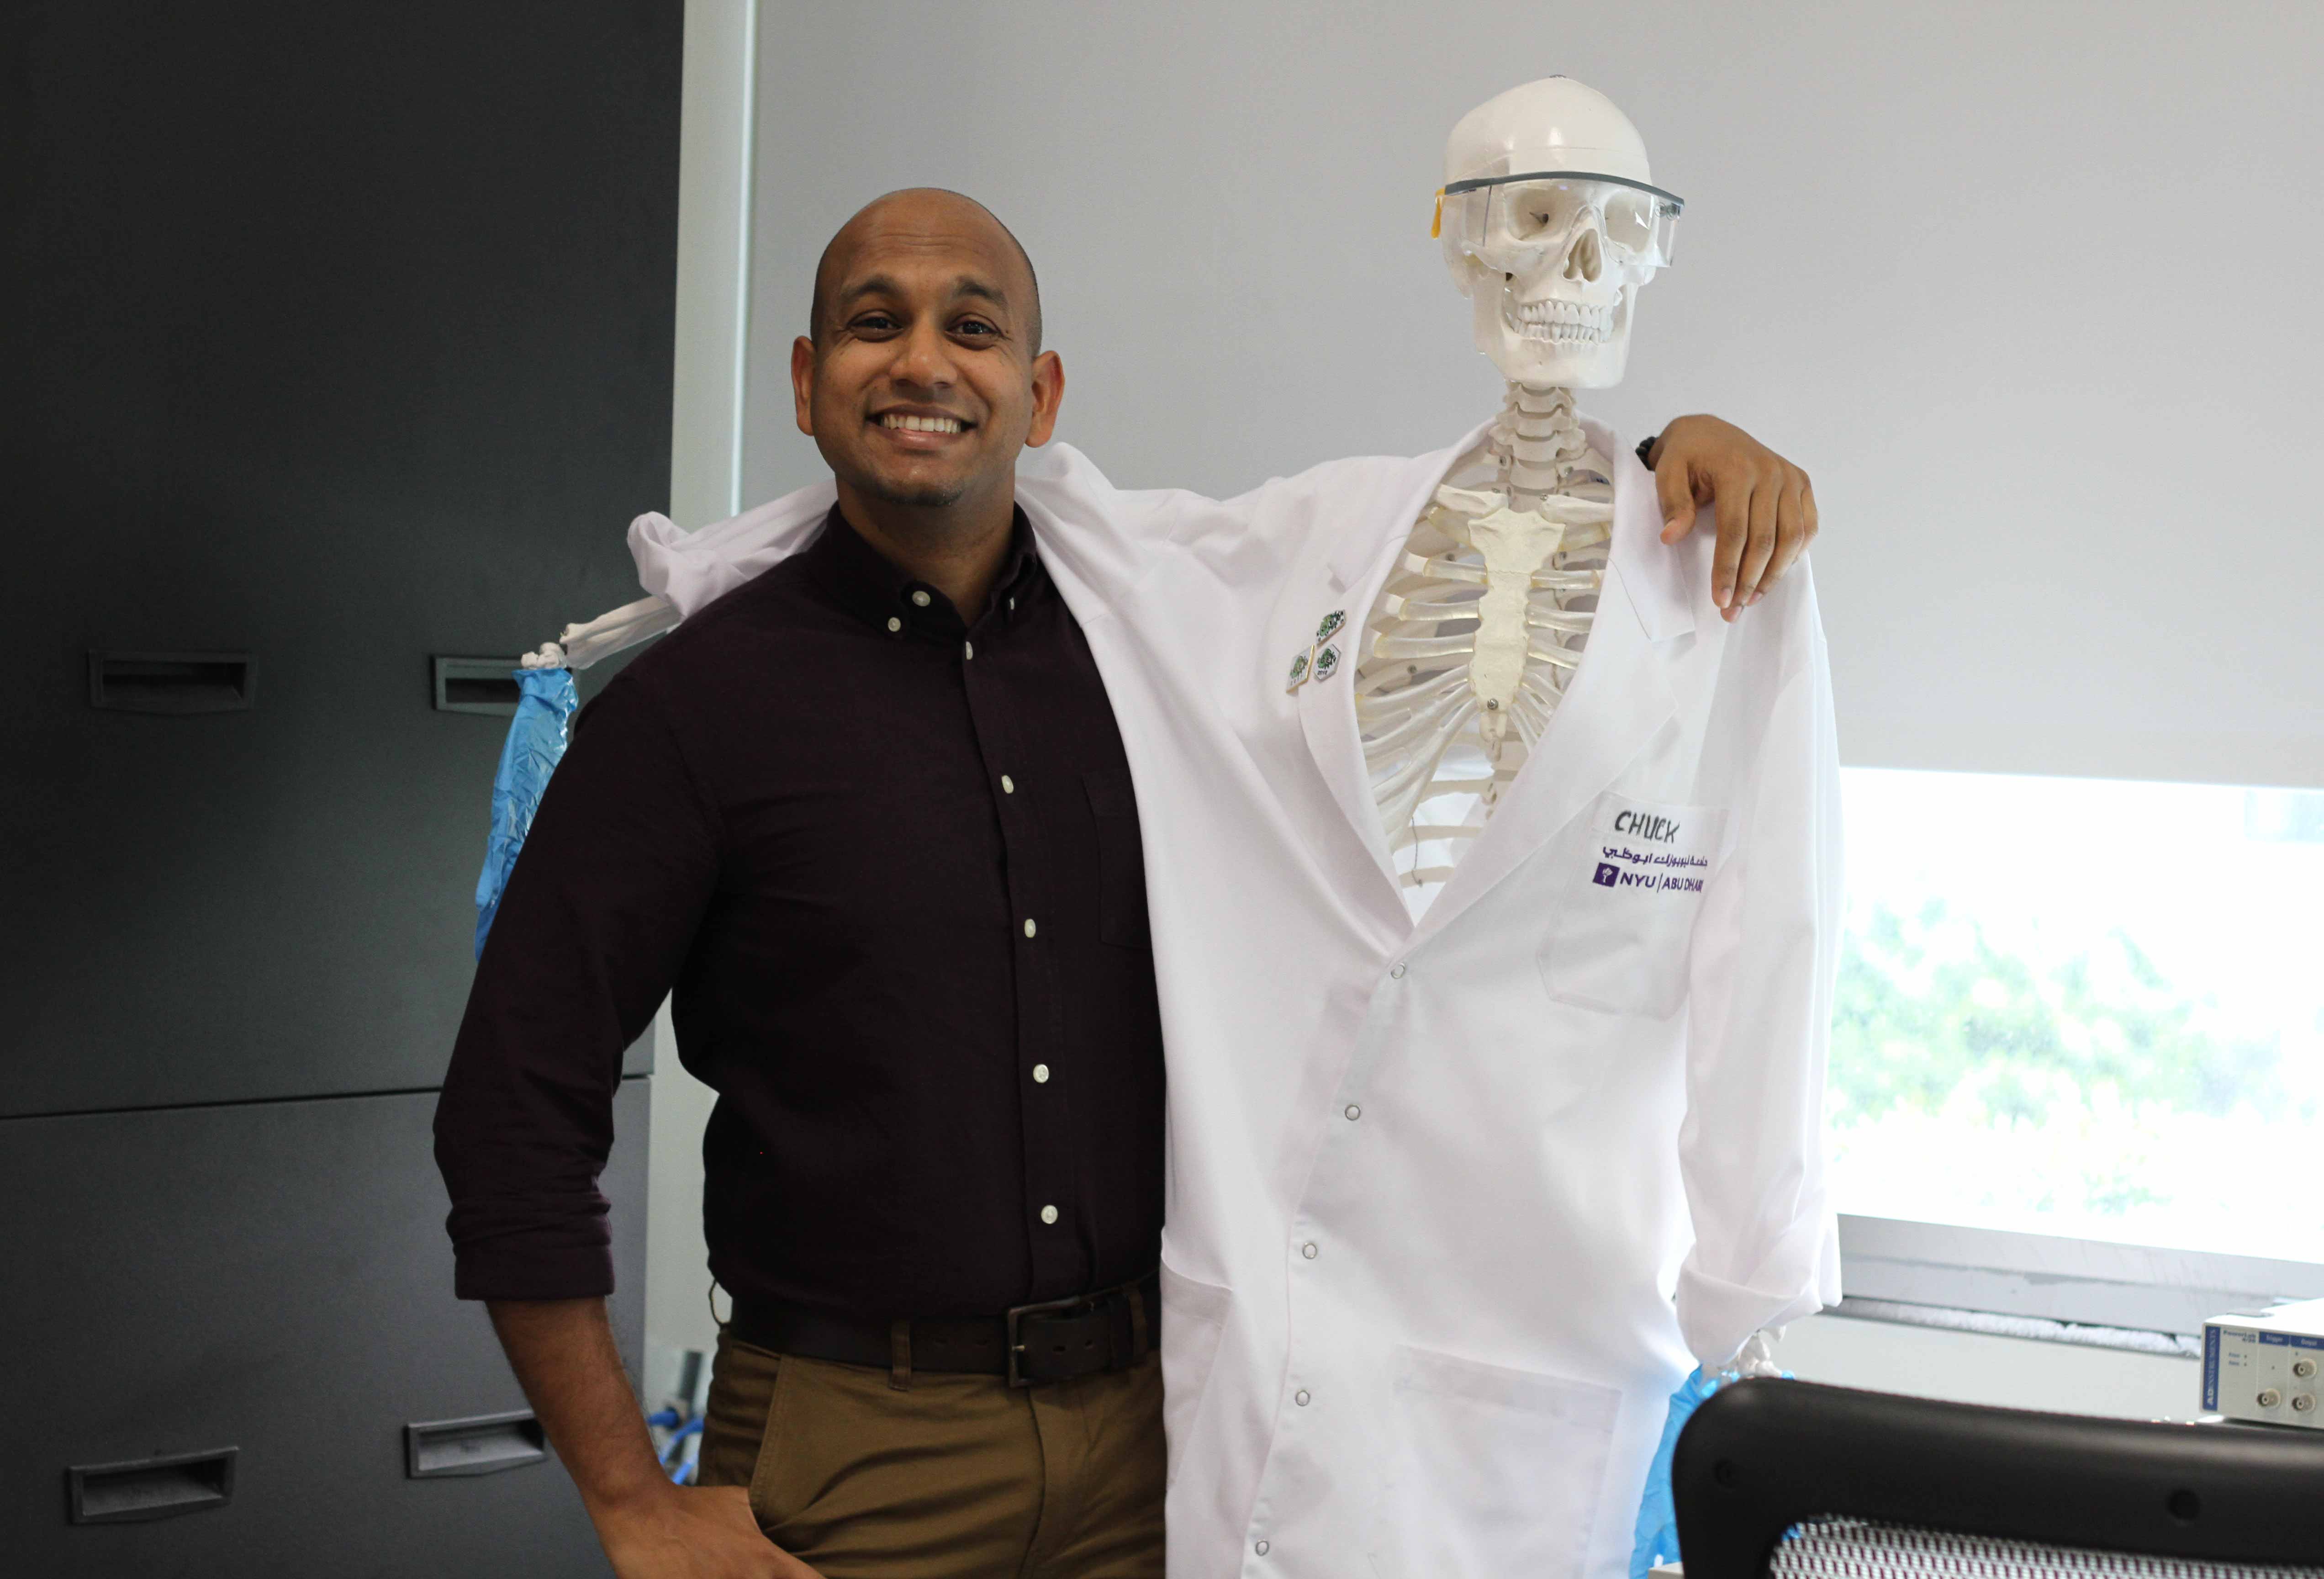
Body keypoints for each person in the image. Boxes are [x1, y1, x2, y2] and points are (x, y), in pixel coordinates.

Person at [432, 187, 1818, 1579]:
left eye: (973, 328)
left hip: (1152, 1445)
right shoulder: (697, 712)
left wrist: (1651, 476)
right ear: (806, 383)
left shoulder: (1155, 646)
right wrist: (626, 1494)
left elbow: (1394, 551)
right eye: (874, 323)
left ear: (1040, 396)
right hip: (857, 1451)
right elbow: (511, 1115)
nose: (923, 362)